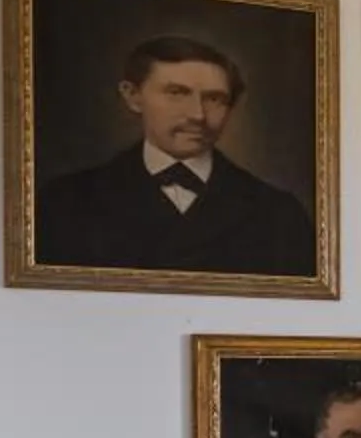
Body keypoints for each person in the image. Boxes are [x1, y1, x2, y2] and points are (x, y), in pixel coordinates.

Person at [32, 33, 317, 277]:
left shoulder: (279, 215)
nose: (198, 115)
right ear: (132, 95)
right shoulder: (64, 202)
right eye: (177, 93)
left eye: (215, 99)